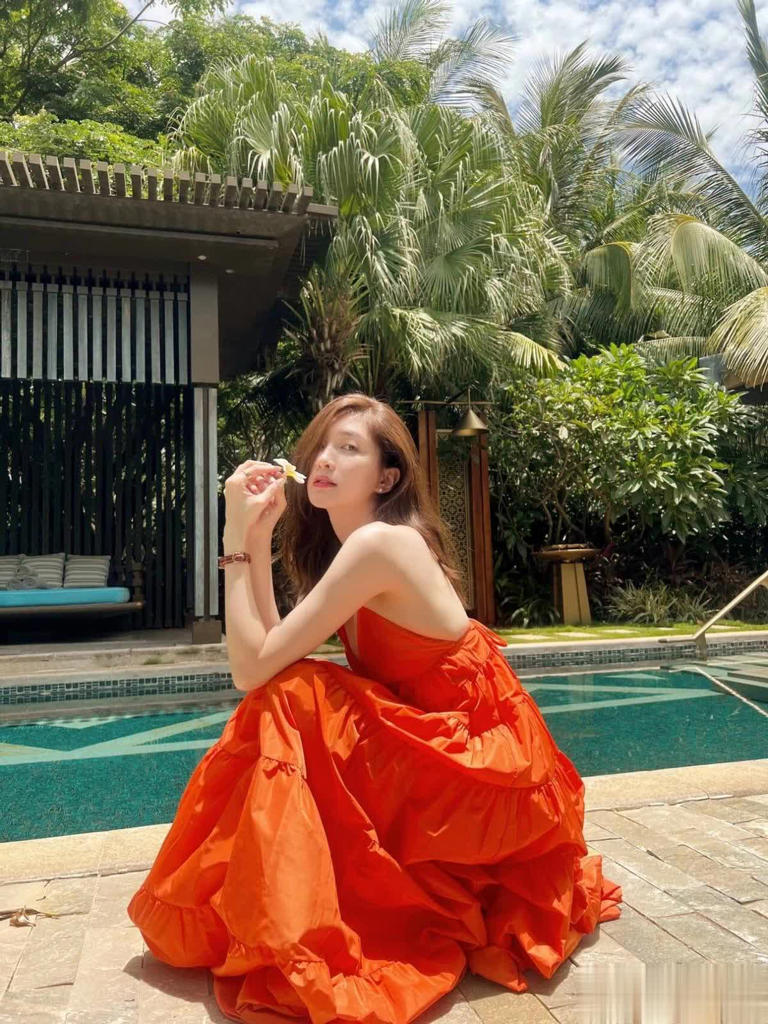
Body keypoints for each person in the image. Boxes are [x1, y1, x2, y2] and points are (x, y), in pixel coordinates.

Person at [127, 392, 622, 1024]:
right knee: (291, 691)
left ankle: (280, 907)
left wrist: (232, 538)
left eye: (349, 449)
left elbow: (251, 668)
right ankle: (274, 898)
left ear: (387, 479)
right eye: (321, 448)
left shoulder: (380, 545)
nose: (325, 460)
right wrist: (252, 534)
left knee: (292, 698)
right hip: (431, 742)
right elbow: (266, 657)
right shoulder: (354, 550)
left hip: (477, 763)